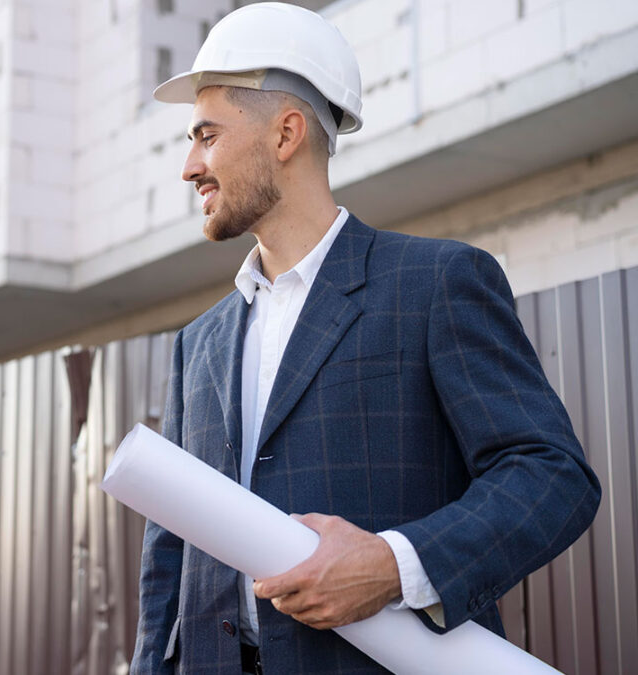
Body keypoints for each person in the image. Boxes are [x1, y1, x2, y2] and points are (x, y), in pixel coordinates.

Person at [132, 4, 601, 674]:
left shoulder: (435, 284)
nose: (189, 166)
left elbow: (553, 476)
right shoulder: (197, 343)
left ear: (286, 133)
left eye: (206, 135)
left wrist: (392, 563)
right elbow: (169, 562)